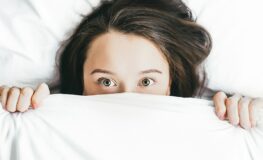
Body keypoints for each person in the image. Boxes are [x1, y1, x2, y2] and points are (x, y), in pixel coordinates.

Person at [0, 0, 262, 130]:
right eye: (106, 82)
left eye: (146, 81)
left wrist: (254, 116)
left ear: (171, 82)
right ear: (80, 83)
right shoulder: (44, 126)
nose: (127, 99)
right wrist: (14, 108)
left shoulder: (217, 125)